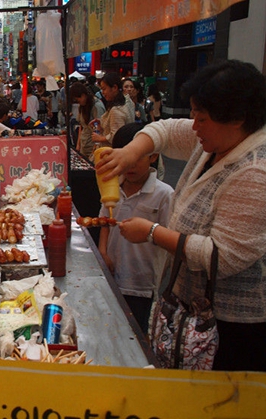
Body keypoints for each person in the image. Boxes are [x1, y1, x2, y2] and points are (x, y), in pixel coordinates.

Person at [95, 60, 266, 372]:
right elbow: (164, 130)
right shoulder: (214, 139)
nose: (194, 125)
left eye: (201, 118)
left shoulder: (255, 171)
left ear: (237, 119)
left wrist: (152, 233)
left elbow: (223, 257)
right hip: (186, 309)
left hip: (227, 327)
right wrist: (131, 152)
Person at [98, 123, 173, 334]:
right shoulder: (111, 185)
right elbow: (104, 220)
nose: (129, 167)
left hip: (142, 284)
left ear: (153, 156)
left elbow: (169, 239)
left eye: (137, 158)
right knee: (109, 329)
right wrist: (103, 252)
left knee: (135, 334)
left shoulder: (164, 194)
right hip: (111, 273)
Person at [91, 72, 135, 147]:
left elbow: (116, 136)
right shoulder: (127, 102)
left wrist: (100, 138)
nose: (103, 93)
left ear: (114, 88)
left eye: (104, 89)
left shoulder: (116, 109)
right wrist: (102, 122)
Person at [69, 82, 106, 160]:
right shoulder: (82, 106)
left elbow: (101, 129)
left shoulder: (97, 106)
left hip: (93, 146)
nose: (77, 102)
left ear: (83, 95)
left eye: (77, 99)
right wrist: (78, 145)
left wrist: (96, 147)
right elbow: (81, 127)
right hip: (84, 144)